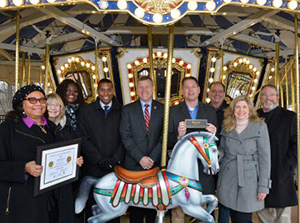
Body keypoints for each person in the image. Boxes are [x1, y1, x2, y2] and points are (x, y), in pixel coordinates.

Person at [0, 84, 56, 223]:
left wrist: (72, 162)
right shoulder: (8, 129)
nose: (38, 104)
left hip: (49, 198)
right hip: (20, 201)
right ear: (21, 104)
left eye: (42, 100)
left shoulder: (53, 128)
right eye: (32, 100)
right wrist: (23, 168)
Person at [168, 76, 218, 223]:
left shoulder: (209, 111)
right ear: (182, 91)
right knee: (178, 212)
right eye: (187, 87)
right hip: (180, 172)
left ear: (199, 90)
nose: (190, 90)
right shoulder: (173, 111)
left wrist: (214, 133)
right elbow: (167, 141)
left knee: (201, 211)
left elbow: (214, 144)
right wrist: (178, 136)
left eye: (193, 87)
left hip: (202, 168)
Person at [217, 95, 271, 223]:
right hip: (228, 178)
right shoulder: (227, 126)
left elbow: (265, 158)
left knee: (243, 219)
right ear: (233, 109)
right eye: (237, 107)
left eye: (244, 107)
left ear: (250, 109)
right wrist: (213, 153)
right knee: (228, 216)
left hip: (249, 179)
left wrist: (264, 186)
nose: (241, 110)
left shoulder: (260, 127)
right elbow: (222, 150)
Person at [77, 78, 123, 222]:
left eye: (109, 89)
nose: (106, 93)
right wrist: (99, 159)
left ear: (113, 91)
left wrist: (115, 159)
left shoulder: (121, 110)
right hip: (94, 166)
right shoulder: (86, 111)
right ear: (98, 91)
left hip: (115, 167)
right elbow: (83, 138)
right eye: (102, 89)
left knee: (114, 205)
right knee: (94, 206)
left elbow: (125, 137)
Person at [120, 76, 164, 223]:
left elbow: (164, 137)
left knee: (152, 206)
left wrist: (152, 157)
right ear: (136, 89)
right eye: (141, 87)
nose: (144, 90)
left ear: (153, 88)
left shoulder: (163, 109)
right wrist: (140, 158)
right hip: (134, 165)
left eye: (147, 87)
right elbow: (125, 136)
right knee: (136, 209)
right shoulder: (127, 109)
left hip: (154, 164)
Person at [256, 84, 297, 223]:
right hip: (260, 175)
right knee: (263, 216)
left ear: (277, 98)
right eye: (264, 95)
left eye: (271, 95)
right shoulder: (254, 116)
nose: (268, 98)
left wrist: (287, 166)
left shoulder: (289, 117)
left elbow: (296, 144)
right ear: (260, 98)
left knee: (283, 218)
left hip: (281, 174)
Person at [46, 92, 84, 223]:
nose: (53, 108)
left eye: (57, 105)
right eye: (50, 105)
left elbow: (75, 151)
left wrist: (78, 159)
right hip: (46, 183)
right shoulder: (41, 129)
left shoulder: (67, 128)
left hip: (64, 181)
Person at [208, 81, 230, 223]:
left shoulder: (230, 111)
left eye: (220, 91)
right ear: (209, 93)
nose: (217, 94)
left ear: (224, 93)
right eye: (214, 91)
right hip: (206, 158)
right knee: (207, 192)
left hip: (225, 158)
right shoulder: (203, 109)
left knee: (224, 194)